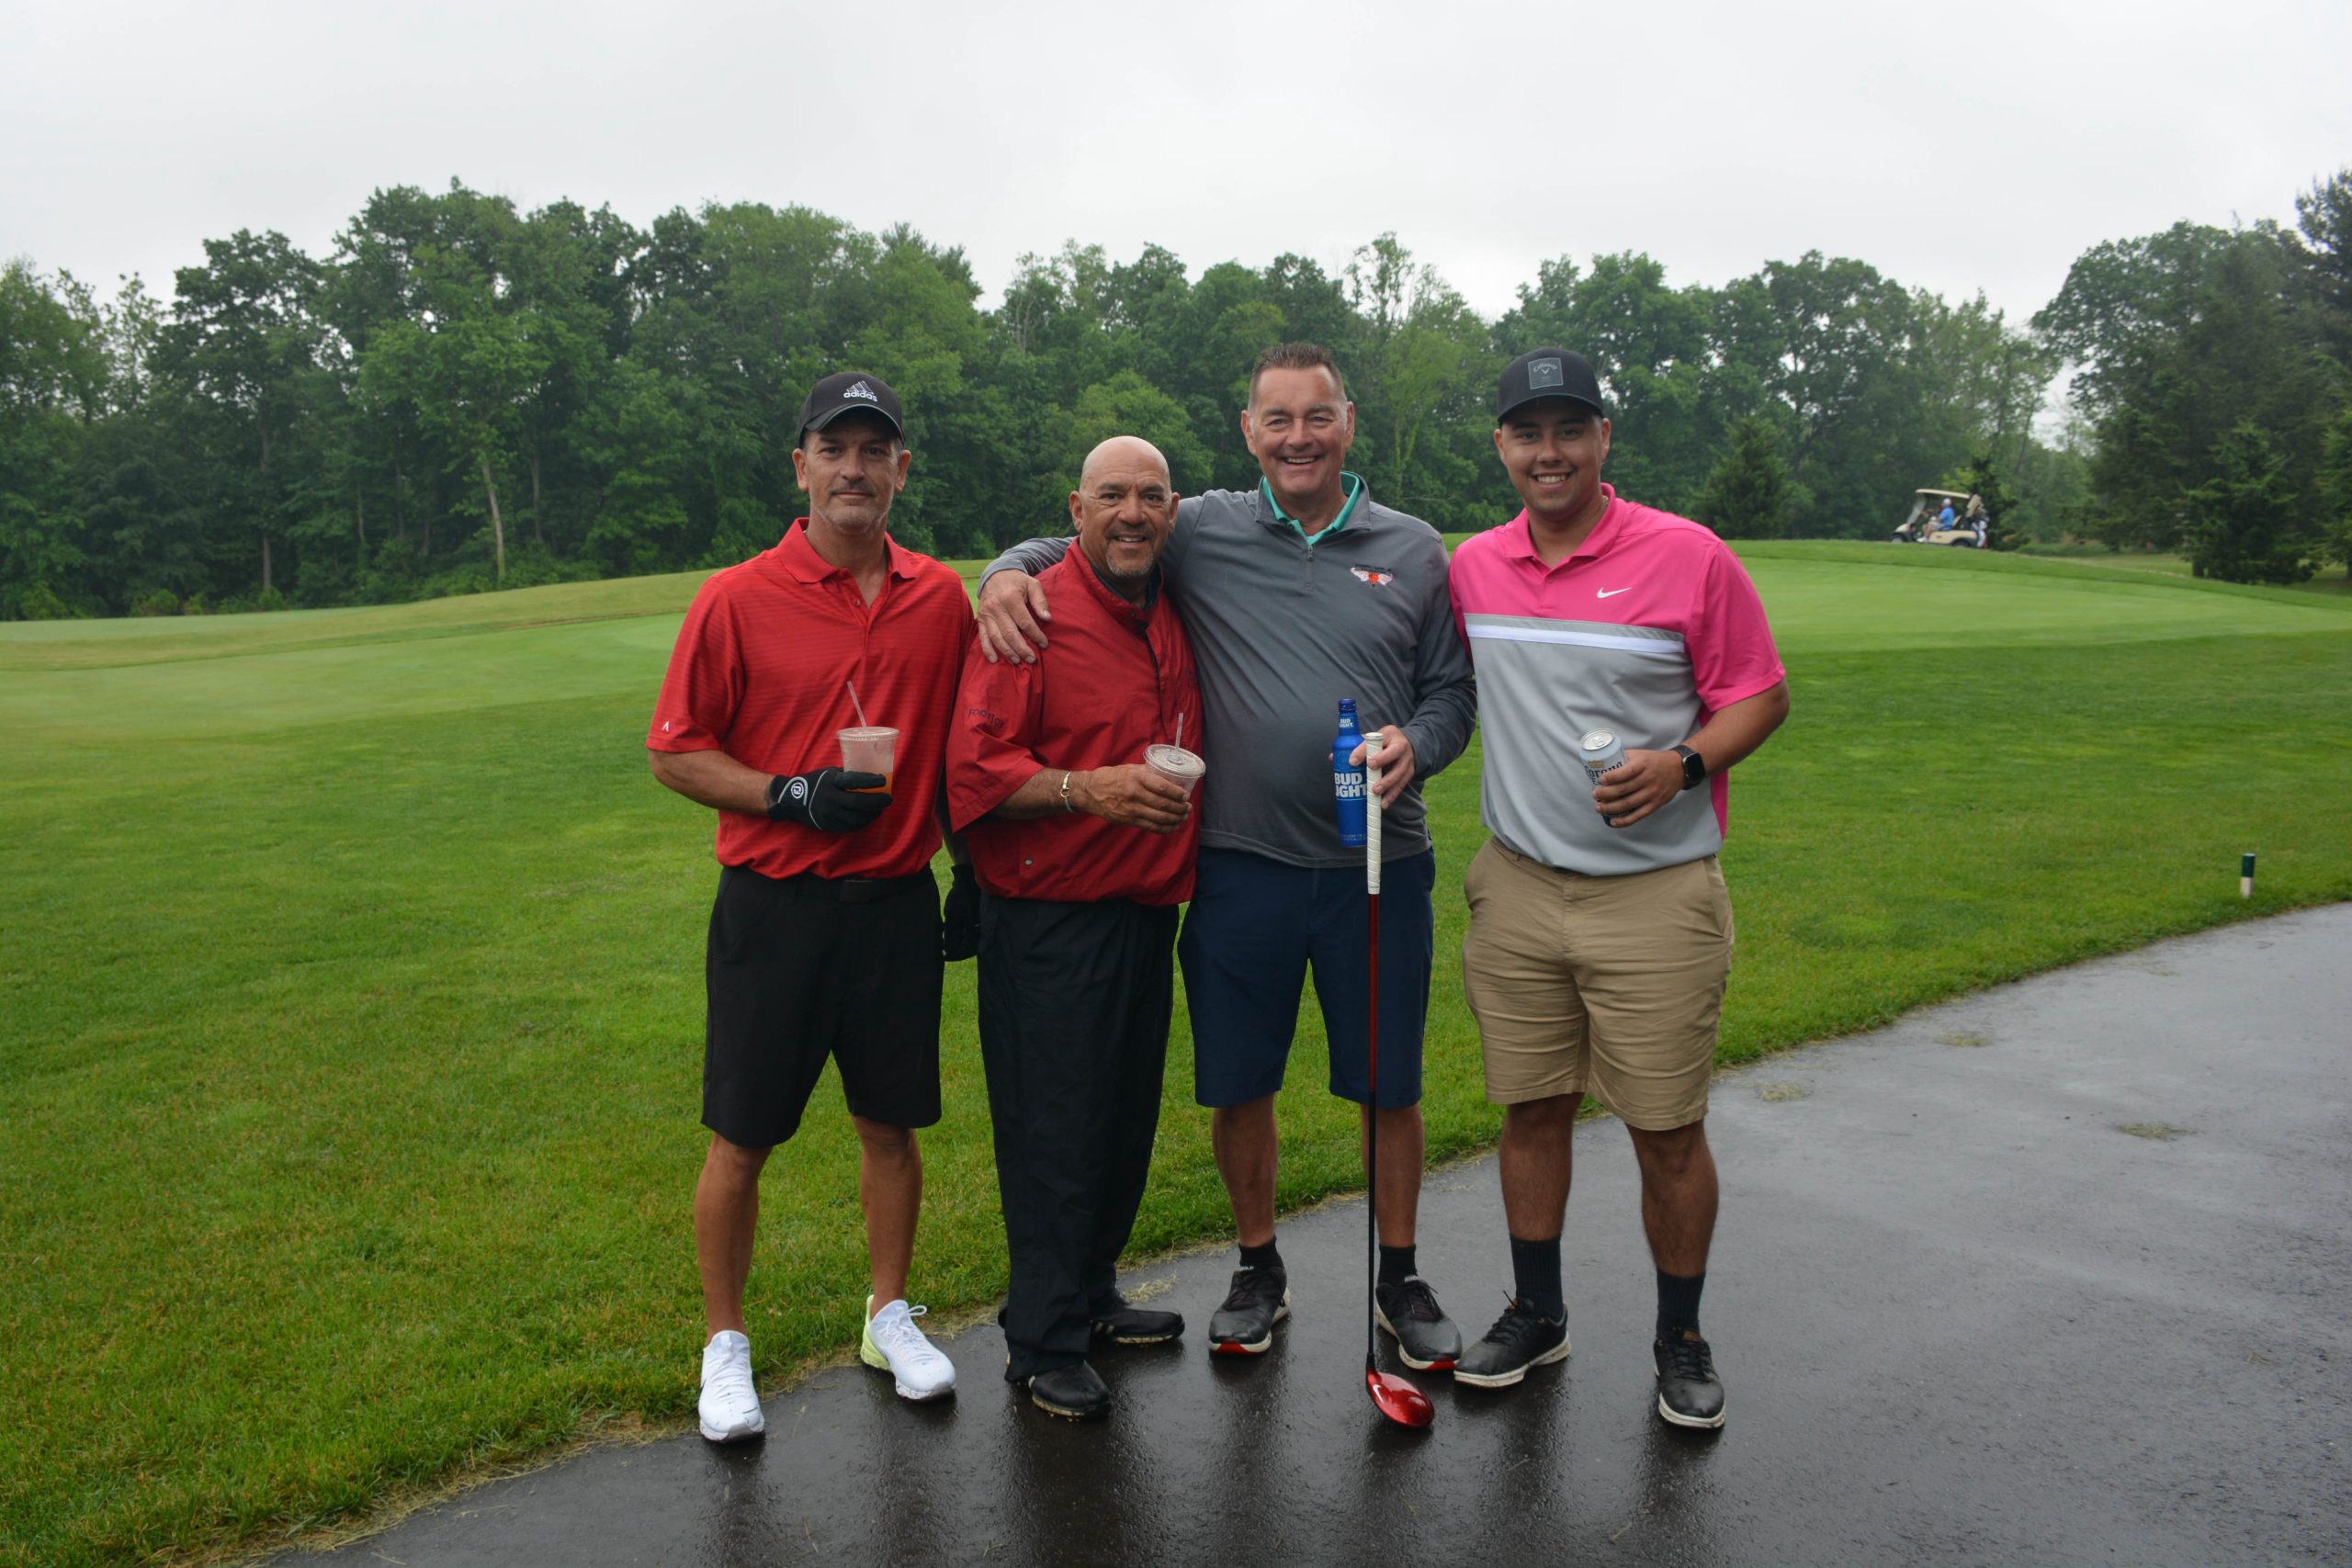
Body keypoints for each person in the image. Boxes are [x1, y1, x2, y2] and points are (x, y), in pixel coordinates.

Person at [976, 343, 1477, 1371]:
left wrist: (1418, 744)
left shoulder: (1416, 548)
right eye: (1276, 420)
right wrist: (1002, 573)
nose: (1298, 437)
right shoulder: (1202, 526)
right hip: (1240, 865)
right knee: (1240, 1082)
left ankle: (1400, 1274)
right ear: (1249, 432)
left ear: (1347, 423)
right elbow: (1082, 537)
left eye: (1317, 416)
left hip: (1378, 865)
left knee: (1387, 1083)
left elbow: (1451, 693)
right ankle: (1257, 1267)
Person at [1445, 348, 1790, 1429]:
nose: (1547, 452)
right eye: (1527, 432)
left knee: (1665, 1128)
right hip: (1516, 886)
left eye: (1569, 430)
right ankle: (1538, 1312)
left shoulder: (1689, 556)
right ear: (1501, 446)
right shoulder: (1473, 566)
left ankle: (1679, 1337)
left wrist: (1683, 763)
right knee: (1531, 1108)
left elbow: (1761, 696)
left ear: (1603, 437)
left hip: (1655, 895)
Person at [648, 371, 975, 1443]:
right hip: (774, 907)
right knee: (742, 1137)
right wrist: (788, 794)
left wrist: (971, 871)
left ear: (900, 471)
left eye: (874, 451)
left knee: (891, 1126)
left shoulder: (941, 599)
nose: (853, 469)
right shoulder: (737, 597)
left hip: (892, 905)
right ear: (801, 467)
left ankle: (888, 1316)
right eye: (834, 449)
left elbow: (964, 746)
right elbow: (676, 752)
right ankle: (724, 1344)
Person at [948, 435, 1204, 1420]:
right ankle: (1042, 1339)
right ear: (1076, 509)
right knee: (1052, 1129)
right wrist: (1086, 789)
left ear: (1171, 510)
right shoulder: (1032, 614)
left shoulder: (1170, 602)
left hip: (1143, 909)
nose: (1131, 512)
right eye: (1112, 496)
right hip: (1049, 919)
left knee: (1121, 1121)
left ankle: (1090, 1294)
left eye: (1150, 495)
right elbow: (975, 771)